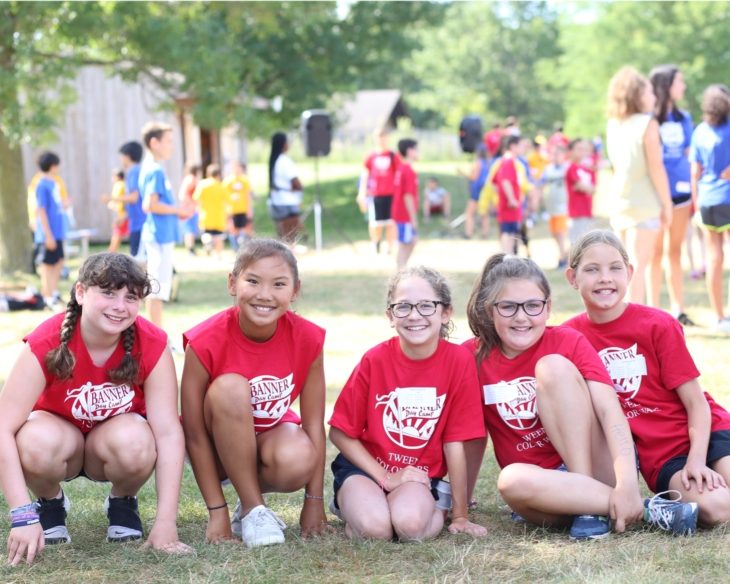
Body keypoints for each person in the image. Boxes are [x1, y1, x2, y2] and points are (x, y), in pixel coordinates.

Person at [0, 253, 192, 566]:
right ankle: (49, 503)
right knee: (34, 441)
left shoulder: (152, 342)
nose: (120, 306)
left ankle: (122, 501)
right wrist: (21, 515)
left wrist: (166, 524)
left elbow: (169, 432)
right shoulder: (47, 340)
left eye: (130, 297)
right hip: (60, 442)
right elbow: (2, 428)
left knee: (137, 440)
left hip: (114, 444)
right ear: (80, 292)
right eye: (108, 292)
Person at [463, 253, 646, 541]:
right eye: (508, 307)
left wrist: (627, 485)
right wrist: (463, 500)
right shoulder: (472, 357)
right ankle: (647, 510)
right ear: (490, 310)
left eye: (533, 306)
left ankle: (591, 502)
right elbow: (472, 434)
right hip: (544, 488)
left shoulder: (567, 341)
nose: (521, 317)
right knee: (511, 479)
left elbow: (611, 411)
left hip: (598, 469)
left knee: (552, 366)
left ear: (547, 308)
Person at [564, 229, 730, 529]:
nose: (605, 278)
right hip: (662, 454)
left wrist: (697, 459)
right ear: (572, 277)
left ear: (629, 273)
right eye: (592, 269)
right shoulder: (569, 337)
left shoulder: (658, 324)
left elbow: (696, 403)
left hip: (708, 430)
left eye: (615, 268)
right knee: (719, 509)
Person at [181, 239, 328, 547]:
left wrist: (314, 500)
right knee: (232, 387)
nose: (264, 295)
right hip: (216, 448)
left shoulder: (308, 338)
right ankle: (252, 508)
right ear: (233, 283)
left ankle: (251, 503)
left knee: (298, 456)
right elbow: (193, 432)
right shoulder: (205, 341)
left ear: (295, 290)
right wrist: (216, 511)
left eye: (279, 284)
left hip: (269, 442)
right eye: (252, 281)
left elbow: (314, 425)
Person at [328, 266, 487, 541]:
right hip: (367, 470)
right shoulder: (374, 360)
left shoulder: (459, 362)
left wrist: (460, 515)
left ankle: (434, 505)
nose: (415, 315)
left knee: (410, 527)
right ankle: (351, 505)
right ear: (390, 316)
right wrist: (385, 477)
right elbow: (340, 431)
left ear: (445, 312)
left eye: (427, 306)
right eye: (403, 307)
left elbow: (455, 441)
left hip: (418, 475)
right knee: (376, 530)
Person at [606, 66, 673, 306]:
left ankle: (616, 318)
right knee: (636, 268)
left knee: (620, 268)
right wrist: (667, 204)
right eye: (649, 92)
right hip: (644, 203)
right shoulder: (648, 124)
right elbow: (656, 168)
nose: (654, 97)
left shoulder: (613, 124)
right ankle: (633, 326)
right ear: (638, 95)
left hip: (619, 200)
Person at [649, 65, 696, 325]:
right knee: (655, 254)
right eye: (680, 81)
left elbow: (688, 153)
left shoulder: (684, 118)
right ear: (667, 85)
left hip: (681, 194)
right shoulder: (649, 119)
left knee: (674, 251)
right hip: (656, 195)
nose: (684, 86)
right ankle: (653, 310)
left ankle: (678, 309)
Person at [690, 84, 730, 334]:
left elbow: (695, 173)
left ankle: (719, 317)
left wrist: (696, 204)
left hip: (706, 199)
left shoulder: (699, 132)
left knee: (714, 258)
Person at [139, 121, 186, 329]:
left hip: (161, 234)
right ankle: (157, 336)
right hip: (158, 236)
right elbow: (150, 204)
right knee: (156, 288)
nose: (171, 146)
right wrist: (177, 210)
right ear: (154, 143)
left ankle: (157, 334)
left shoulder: (153, 168)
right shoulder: (155, 170)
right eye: (168, 141)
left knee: (159, 287)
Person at [31, 151, 67, 308]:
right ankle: (46, 297)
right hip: (48, 234)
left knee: (58, 262)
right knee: (47, 264)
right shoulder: (41, 185)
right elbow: (41, 210)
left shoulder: (54, 184)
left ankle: (52, 293)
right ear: (53, 166)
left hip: (58, 231)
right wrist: (48, 235)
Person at [357, 128, 400, 254]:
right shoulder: (371, 156)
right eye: (379, 137)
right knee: (375, 223)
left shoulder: (393, 156)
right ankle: (376, 242)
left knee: (391, 222)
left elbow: (398, 175)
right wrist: (362, 192)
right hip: (375, 194)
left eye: (384, 136)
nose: (382, 140)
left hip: (391, 194)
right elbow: (365, 175)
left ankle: (390, 246)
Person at [268, 132, 304, 246]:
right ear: (284, 144)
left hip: (277, 200)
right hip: (288, 201)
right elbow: (295, 182)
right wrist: (299, 188)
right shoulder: (284, 161)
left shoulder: (275, 160)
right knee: (289, 234)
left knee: (283, 233)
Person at [492, 136, 523, 254]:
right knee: (507, 231)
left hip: (507, 204)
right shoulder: (508, 161)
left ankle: (509, 254)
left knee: (511, 230)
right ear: (513, 146)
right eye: (520, 145)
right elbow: (505, 181)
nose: (523, 149)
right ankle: (507, 255)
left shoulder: (505, 161)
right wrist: (511, 199)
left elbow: (495, 182)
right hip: (509, 205)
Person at [392, 138, 419, 270]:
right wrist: (413, 218)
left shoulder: (401, 168)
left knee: (412, 241)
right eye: (416, 149)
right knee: (406, 244)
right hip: (404, 214)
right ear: (409, 151)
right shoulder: (408, 170)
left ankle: (402, 269)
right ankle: (400, 272)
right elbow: (407, 196)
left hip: (401, 213)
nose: (418, 152)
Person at [541, 144, 569, 268]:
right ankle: (562, 255)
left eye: (558, 154)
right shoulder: (548, 169)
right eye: (553, 154)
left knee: (561, 233)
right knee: (555, 233)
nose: (555, 157)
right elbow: (541, 183)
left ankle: (564, 258)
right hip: (551, 207)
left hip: (562, 207)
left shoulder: (567, 168)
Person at [118, 141, 146, 260]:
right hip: (137, 221)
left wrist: (111, 198)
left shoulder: (134, 171)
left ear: (127, 156)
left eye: (121, 156)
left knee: (138, 261)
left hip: (139, 223)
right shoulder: (137, 170)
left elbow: (134, 197)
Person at [193, 164, 228, 258]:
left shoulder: (203, 184)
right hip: (219, 216)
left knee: (206, 233)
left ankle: (208, 242)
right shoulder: (221, 186)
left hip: (206, 215)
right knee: (219, 237)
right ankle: (219, 255)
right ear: (219, 174)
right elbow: (226, 201)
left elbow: (197, 198)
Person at [566, 138, 596, 245]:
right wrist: (584, 187)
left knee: (587, 242)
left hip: (587, 210)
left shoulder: (586, 169)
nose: (582, 152)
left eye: (584, 149)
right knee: (576, 243)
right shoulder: (571, 167)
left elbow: (592, 188)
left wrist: (585, 187)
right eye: (578, 149)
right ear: (571, 151)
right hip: (576, 212)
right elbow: (580, 185)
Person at [458, 146, 489, 239]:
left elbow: (474, 177)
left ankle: (469, 233)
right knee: (484, 213)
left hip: (477, 190)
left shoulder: (478, 163)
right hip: (485, 189)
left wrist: (462, 173)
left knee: (469, 213)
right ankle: (485, 233)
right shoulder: (487, 163)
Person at [223, 161, 253, 249]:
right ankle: (234, 247)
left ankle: (242, 246)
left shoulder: (245, 180)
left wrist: (249, 209)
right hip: (232, 209)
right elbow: (224, 196)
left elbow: (248, 195)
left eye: (239, 168)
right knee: (233, 229)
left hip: (243, 209)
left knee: (243, 228)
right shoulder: (228, 181)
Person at [101, 169, 128, 253]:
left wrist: (109, 200)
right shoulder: (125, 184)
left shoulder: (119, 185)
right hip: (124, 214)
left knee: (116, 237)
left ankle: (110, 256)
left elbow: (120, 200)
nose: (112, 178)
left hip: (123, 215)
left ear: (117, 176)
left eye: (113, 176)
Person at [178, 163, 202, 255]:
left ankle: (190, 248)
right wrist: (192, 203)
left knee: (189, 228)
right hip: (189, 209)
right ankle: (190, 248)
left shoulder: (188, 178)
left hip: (188, 208)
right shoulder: (191, 179)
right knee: (190, 229)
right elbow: (182, 195)